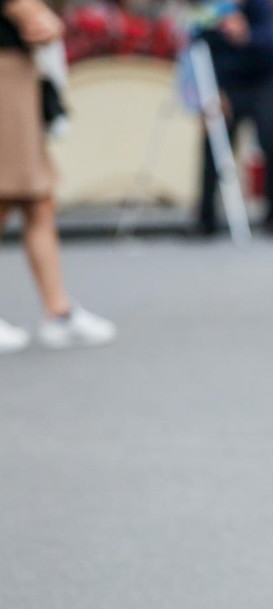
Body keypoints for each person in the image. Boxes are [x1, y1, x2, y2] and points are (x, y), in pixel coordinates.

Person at [0, 0, 115, 353]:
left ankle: (58, 311)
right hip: (5, 71)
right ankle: (58, 313)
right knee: (8, 195)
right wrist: (32, 11)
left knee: (38, 199)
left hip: (19, 68)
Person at [196, 0, 273, 237]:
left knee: (272, 141)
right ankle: (205, 217)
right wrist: (212, 92)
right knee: (214, 145)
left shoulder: (262, 7)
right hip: (228, 87)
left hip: (263, 83)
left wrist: (247, 35)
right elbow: (199, 47)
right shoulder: (212, 10)